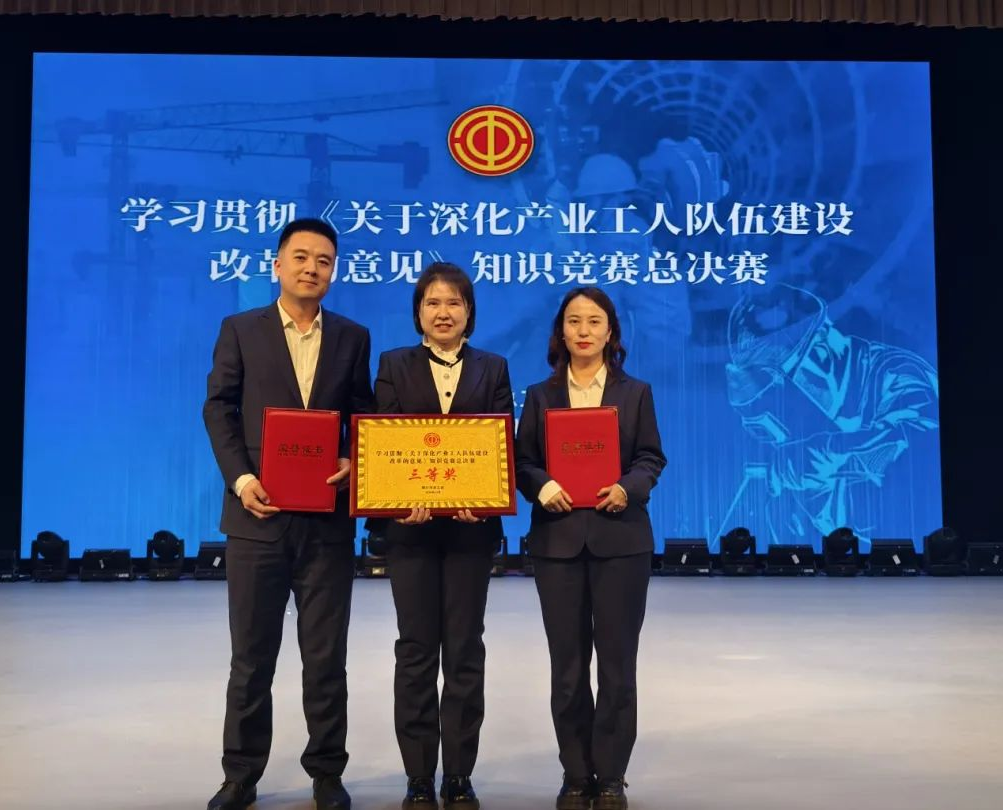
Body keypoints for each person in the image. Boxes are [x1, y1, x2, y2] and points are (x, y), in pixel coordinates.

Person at [202, 218, 372, 810]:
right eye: (300, 257)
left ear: (333, 271)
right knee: (251, 658)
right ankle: (240, 775)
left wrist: (353, 456)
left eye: (323, 260)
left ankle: (327, 772)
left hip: (326, 521)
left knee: (326, 658)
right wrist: (241, 478)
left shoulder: (352, 337)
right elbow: (218, 409)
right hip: (257, 517)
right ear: (277, 265)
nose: (311, 268)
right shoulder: (240, 329)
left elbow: (361, 414)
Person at [515, 287, 666, 810]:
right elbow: (523, 461)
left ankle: (612, 775)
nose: (583, 330)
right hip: (557, 543)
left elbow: (651, 458)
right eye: (574, 321)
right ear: (560, 331)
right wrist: (541, 486)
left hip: (621, 541)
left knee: (618, 667)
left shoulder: (635, 392)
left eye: (594, 321)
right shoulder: (540, 395)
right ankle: (576, 773)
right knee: (568, 668)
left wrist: (628, 487)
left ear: (611, 332)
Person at [373, 262, 513, 810]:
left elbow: (501, 444)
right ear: (418, 313)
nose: (443, 312)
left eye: (454, 302)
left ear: (469, 311)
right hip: (409, 533)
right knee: (414, 651)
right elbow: (384, 440)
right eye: (432, 302)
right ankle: (417, 775)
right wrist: (394, 497)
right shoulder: (393, 365)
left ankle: (458, 773)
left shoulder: (493, 367)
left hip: (470, 534)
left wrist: (486, 495)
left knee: (464, 650)